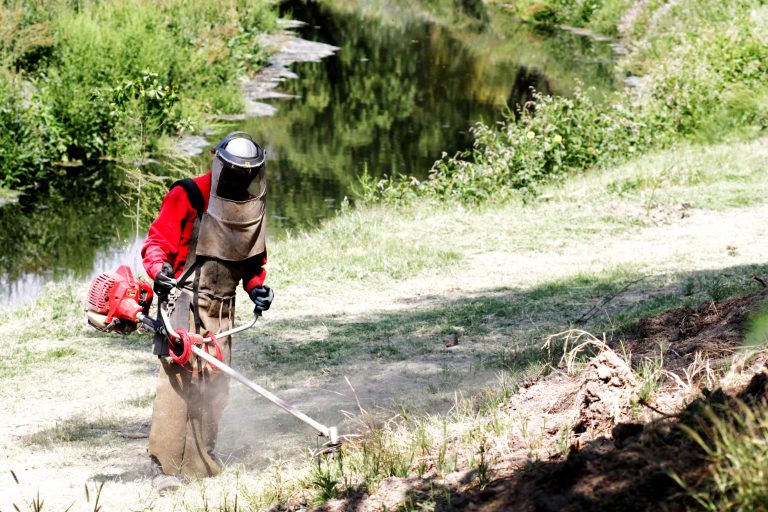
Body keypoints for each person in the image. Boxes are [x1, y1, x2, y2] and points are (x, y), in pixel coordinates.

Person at [141, 131, 274, 493]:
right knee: (178, 388)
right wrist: (159, 272)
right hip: (182, 300)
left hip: (222, 308)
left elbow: (252, 261)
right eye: (234, 172)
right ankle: (164, 468)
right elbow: (156, 243)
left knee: (216, 386)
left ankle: (201, 463)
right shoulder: (190, 193)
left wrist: (257, 287)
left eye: (247, 175)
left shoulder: (250, 207)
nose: (240, 180)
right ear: (220, 164)